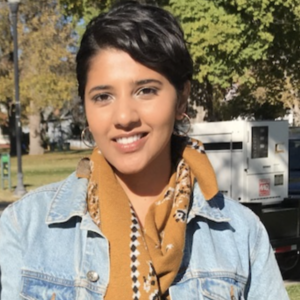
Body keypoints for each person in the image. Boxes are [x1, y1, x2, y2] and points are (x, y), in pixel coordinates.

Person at [0, 1, 289, 299]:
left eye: (146, 90)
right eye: (103, 96)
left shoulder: (240, 233)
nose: (124, 117)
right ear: (85, 107)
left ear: (181, 99)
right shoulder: (25, 226)